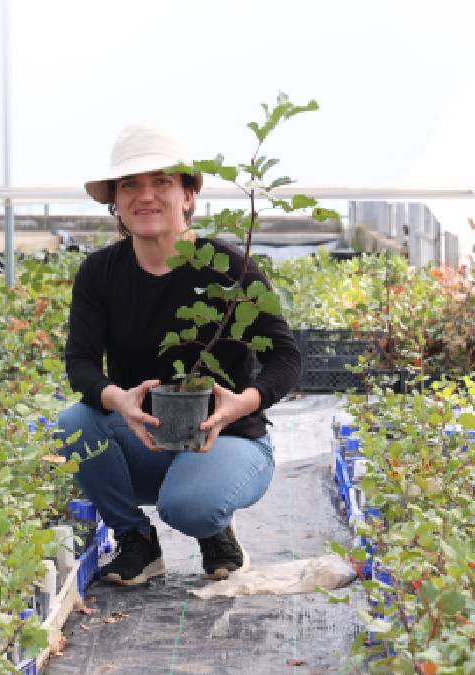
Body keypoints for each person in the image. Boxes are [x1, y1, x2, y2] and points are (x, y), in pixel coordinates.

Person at [56, 122, 300, 586]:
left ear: (188, 195)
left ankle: (214, 529)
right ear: (115, 201)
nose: (145, 196)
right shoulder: (100, 273)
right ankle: (137, 541)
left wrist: (242, 404)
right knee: (73, 423)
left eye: (162, 182)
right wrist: (118, 399)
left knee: (190, 507)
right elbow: (81, 364)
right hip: (143, 436)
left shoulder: (231, 268)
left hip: (227, 436)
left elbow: (286, 357)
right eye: (130, 184)